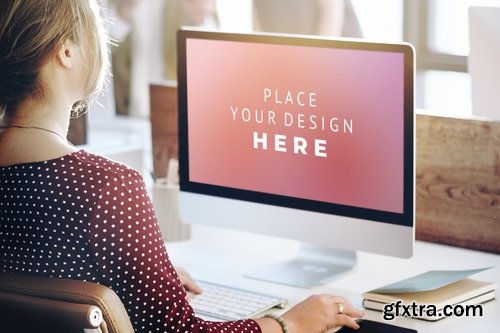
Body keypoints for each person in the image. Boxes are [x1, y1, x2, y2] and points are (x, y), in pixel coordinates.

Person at [0, 1, 363, 332]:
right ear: (66, 52)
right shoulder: (107, 187)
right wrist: (290, 324)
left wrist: (142, 270)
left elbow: (41, 269)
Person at [253, 0, 363, 38]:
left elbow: (331, 10)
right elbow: (259, 11)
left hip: (330, 39)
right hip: (290, 46)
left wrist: (320, 60)